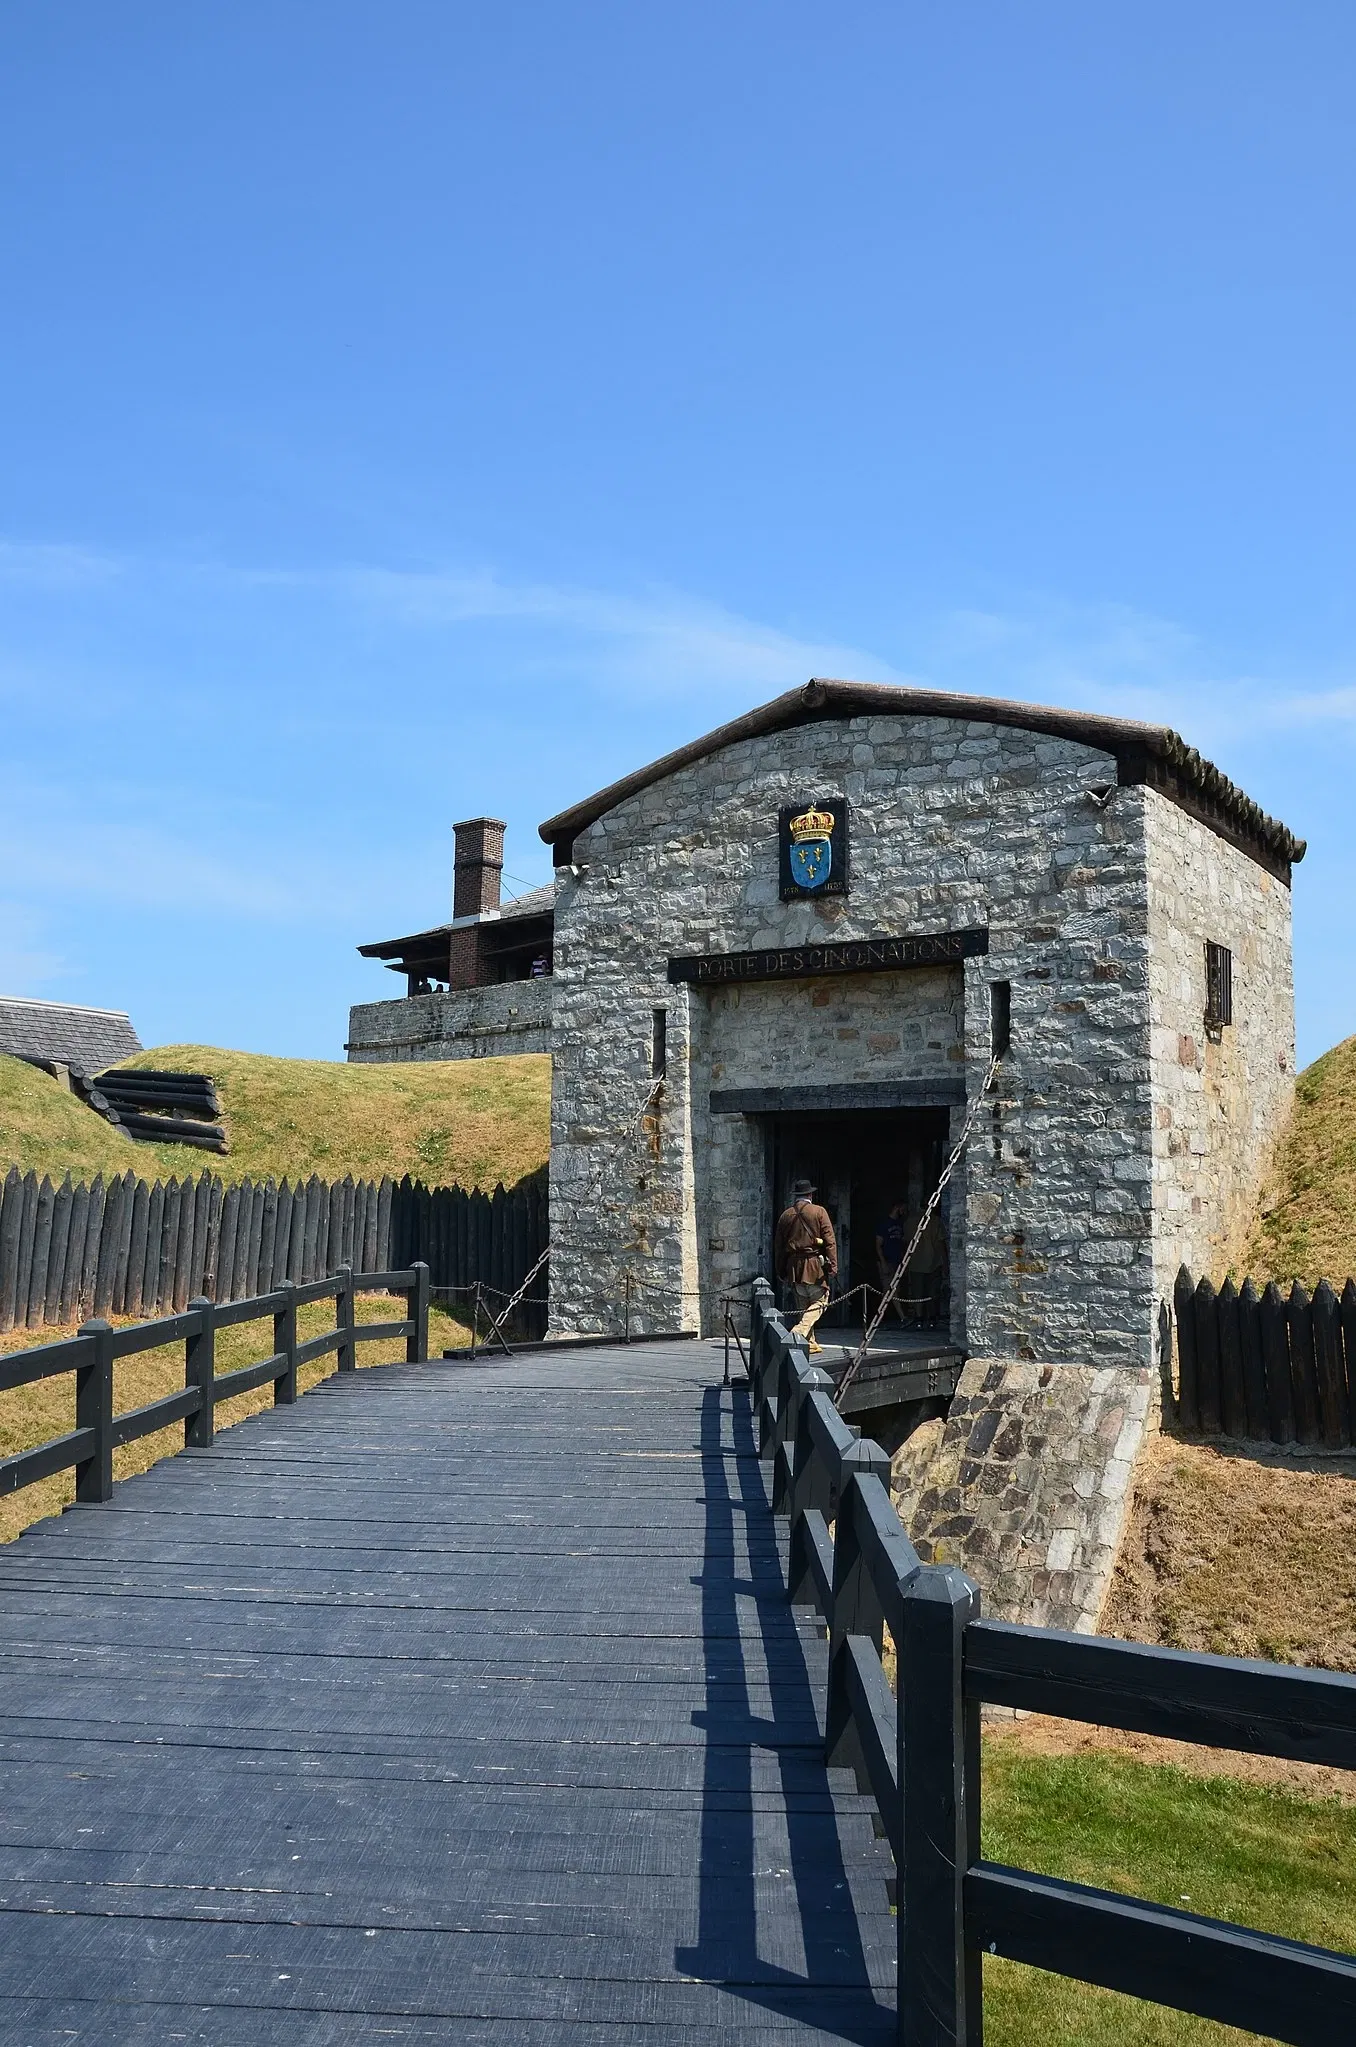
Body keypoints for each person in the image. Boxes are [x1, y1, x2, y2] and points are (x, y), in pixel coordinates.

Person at [774, 1179, 838, 1353]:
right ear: (810, 1194)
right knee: (820, 1301)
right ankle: (798, 1332)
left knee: (803, 1305)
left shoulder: (785, 1215)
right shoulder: (819, 1211)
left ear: (796, 1196)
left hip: (794, 1267)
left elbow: (779, 1246)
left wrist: (780, 1269)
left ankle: (810, 1343)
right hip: (814, 1265)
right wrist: (832, 1264)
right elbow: (829, 1241)